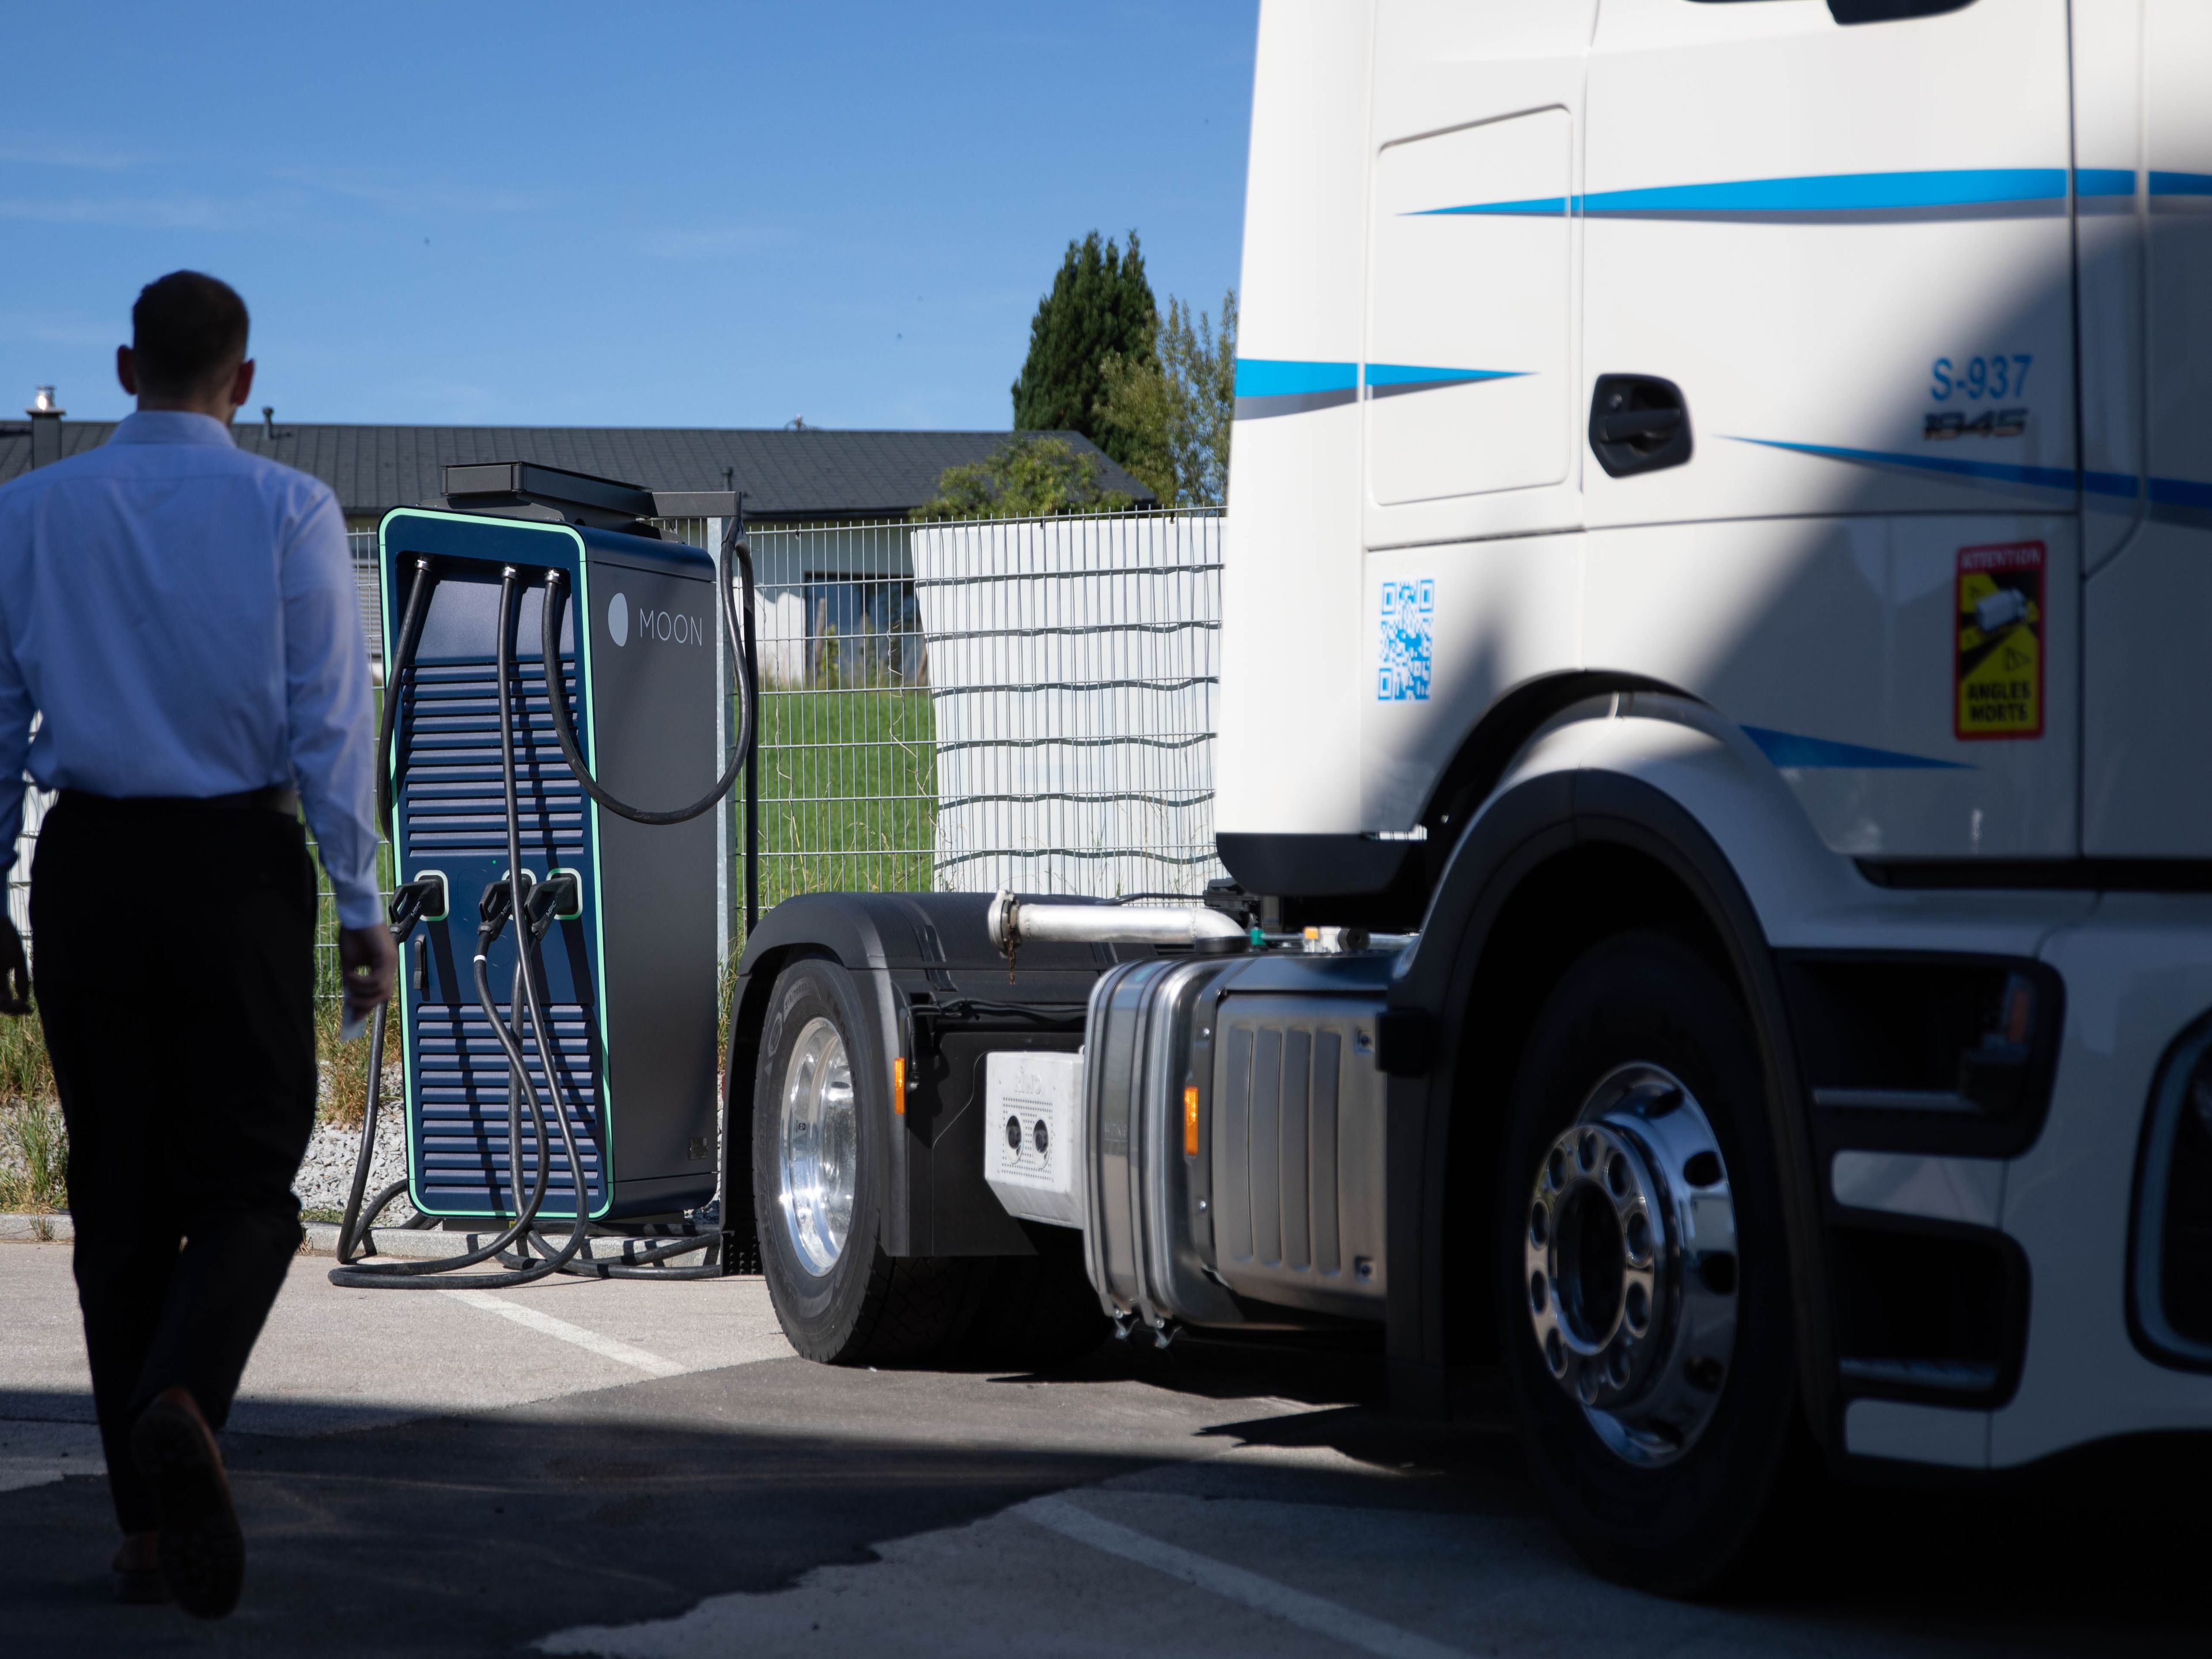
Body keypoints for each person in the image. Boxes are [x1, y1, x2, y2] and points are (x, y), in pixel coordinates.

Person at [0, 271, 394, 1619]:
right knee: (249, 1182)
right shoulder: (288, 508)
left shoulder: (28, 514)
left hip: (90, 867)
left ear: (122, 368)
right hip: (236, 866)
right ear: (239, 379)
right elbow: (332, 721)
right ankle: (185, 1396)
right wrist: (357, 906)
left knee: (115, 1195)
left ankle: (145, 1531)